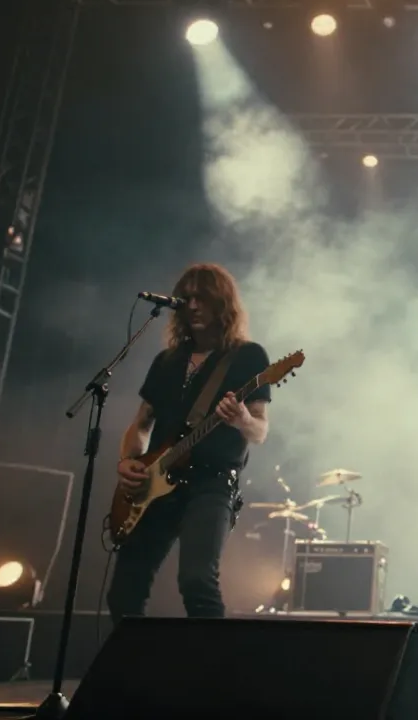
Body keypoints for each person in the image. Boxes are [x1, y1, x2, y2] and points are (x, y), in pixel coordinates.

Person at [107, 262, 272, 621]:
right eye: (187, 298)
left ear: (222, 303)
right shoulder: (167, 360)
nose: (193, 305)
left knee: (197, 582)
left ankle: (209, 659)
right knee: (123, 591)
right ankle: (135, 657)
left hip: (211, 483)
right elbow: (140, 425)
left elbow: (260, 430)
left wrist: (242, 419)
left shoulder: (248, 356)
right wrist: (129, 461)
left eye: (203, 298)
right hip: (157, 483)